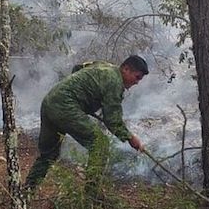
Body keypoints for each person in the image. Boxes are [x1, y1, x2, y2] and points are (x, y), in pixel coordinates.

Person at [24, 55, 149, 194]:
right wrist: (131, 138)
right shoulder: (114, 82)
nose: (137, 82)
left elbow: (77, 68)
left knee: (48, 154)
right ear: (126, 69)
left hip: (50, 101)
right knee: (100, 144)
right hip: (65, 106)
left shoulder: (103, 65)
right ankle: (91, 195)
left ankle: (25, 193)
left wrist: (82, 98)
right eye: (137, 77)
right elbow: (112, 120)